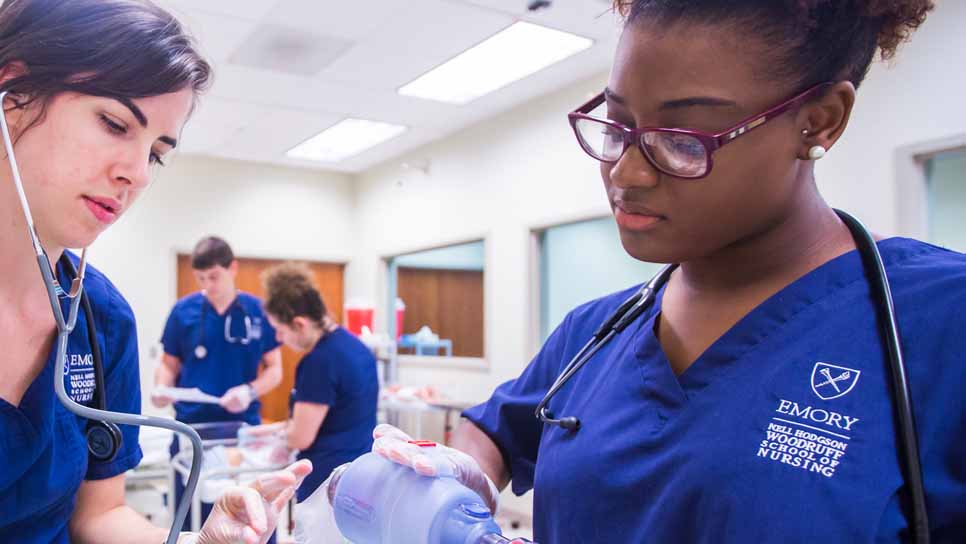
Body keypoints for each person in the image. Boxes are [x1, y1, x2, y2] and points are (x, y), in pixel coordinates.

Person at [367, 1, 966, 543]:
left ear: (821, 121)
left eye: (681, 140)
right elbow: (496, 432)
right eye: (617, 126)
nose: (626, 173)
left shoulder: (938, 322)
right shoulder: (597, 331)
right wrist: (459, 476)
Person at [0, 1, 311, 543]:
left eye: (158, 153)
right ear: (14, 92)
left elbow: (99, 516)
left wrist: (196, 541)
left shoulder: (102, 320)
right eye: (115, 123)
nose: (137, 174)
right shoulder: (182, 314)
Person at [153, 236, 285, 534]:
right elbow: (168, 364)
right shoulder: (183, 311)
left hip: (242, 431)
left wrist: (249, 391)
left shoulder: (258, 311)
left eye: (214, 276)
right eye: (200, 278)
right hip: (192, 431)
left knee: (253, 517)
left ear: (233, 268)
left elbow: (275, 370)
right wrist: (162, 388)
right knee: (191, 520)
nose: (208, 285)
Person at [257, 262, 379, 503]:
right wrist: (274, 429)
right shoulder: (356, 347)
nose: (279, 339)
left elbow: (301, 437)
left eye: (279, 330)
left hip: (325, 484)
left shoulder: (319, 362)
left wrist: (280, 439)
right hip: (360, 475)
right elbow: (334, 418)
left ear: (299, 324)